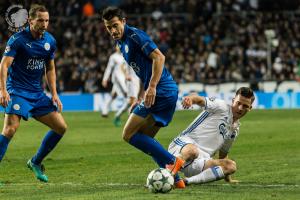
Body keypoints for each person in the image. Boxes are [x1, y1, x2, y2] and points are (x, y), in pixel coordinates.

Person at [102, 7, 185, 188]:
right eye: (109, 28)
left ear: (123, 21)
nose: (113, 31)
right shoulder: (121, 44)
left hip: (162, 90)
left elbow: (159, 58)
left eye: (115, 25)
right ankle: (176, 180)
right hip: (165, 91)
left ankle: (173, 161)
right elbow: (142, 71)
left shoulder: (135, 36)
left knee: (128, 134)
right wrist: (141, 95)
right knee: (146, 140)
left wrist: (153, 86)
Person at [0, 4, 67, 183]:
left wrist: (54, 93)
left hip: (37, 94)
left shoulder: (50, 41)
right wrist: (3, 90)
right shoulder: (17, 40)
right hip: (18, 91)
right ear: (30, 21)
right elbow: (4, 65)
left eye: (47, 20)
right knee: (9, 129)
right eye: (40, 20)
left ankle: (35, 162)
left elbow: (50, 68)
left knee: (61, 127)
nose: (44, 24)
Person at [168, 87, 255, 185]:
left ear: (250, 108)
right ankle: (167, 176)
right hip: (182, 146)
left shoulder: (234, 130)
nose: (240, 108)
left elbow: (223, 154)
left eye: (245, 106)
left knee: (231, 166)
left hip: (201, 160)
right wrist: (190, 99)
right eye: (238, 103)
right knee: (192, 150)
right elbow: (199, 99)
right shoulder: (221, 106)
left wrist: (228, 178)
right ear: (233, 100)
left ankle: (186, 181)